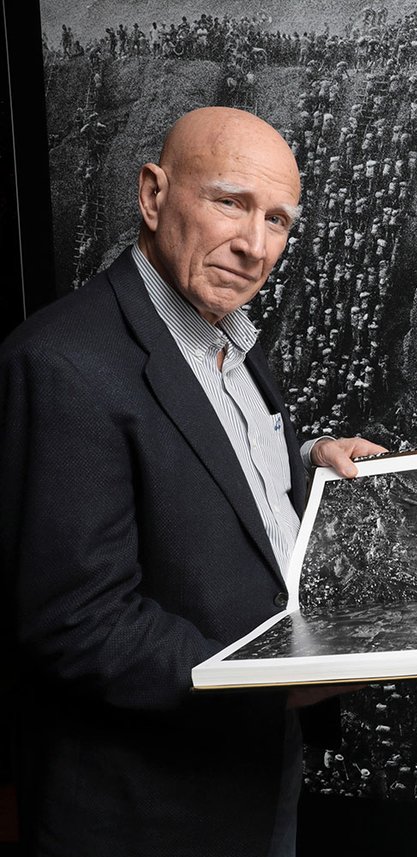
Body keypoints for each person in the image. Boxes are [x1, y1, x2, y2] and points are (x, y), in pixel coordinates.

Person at [0, 107, 385, 856]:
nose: (254, 245)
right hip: (150, 814)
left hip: (257, 774)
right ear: (152, 195)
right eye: (231, 202)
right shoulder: (59, 364)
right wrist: (269, 681)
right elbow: (75, 620)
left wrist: (308, 463)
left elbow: (209, 476)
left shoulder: (226, 336)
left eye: (278, 220)